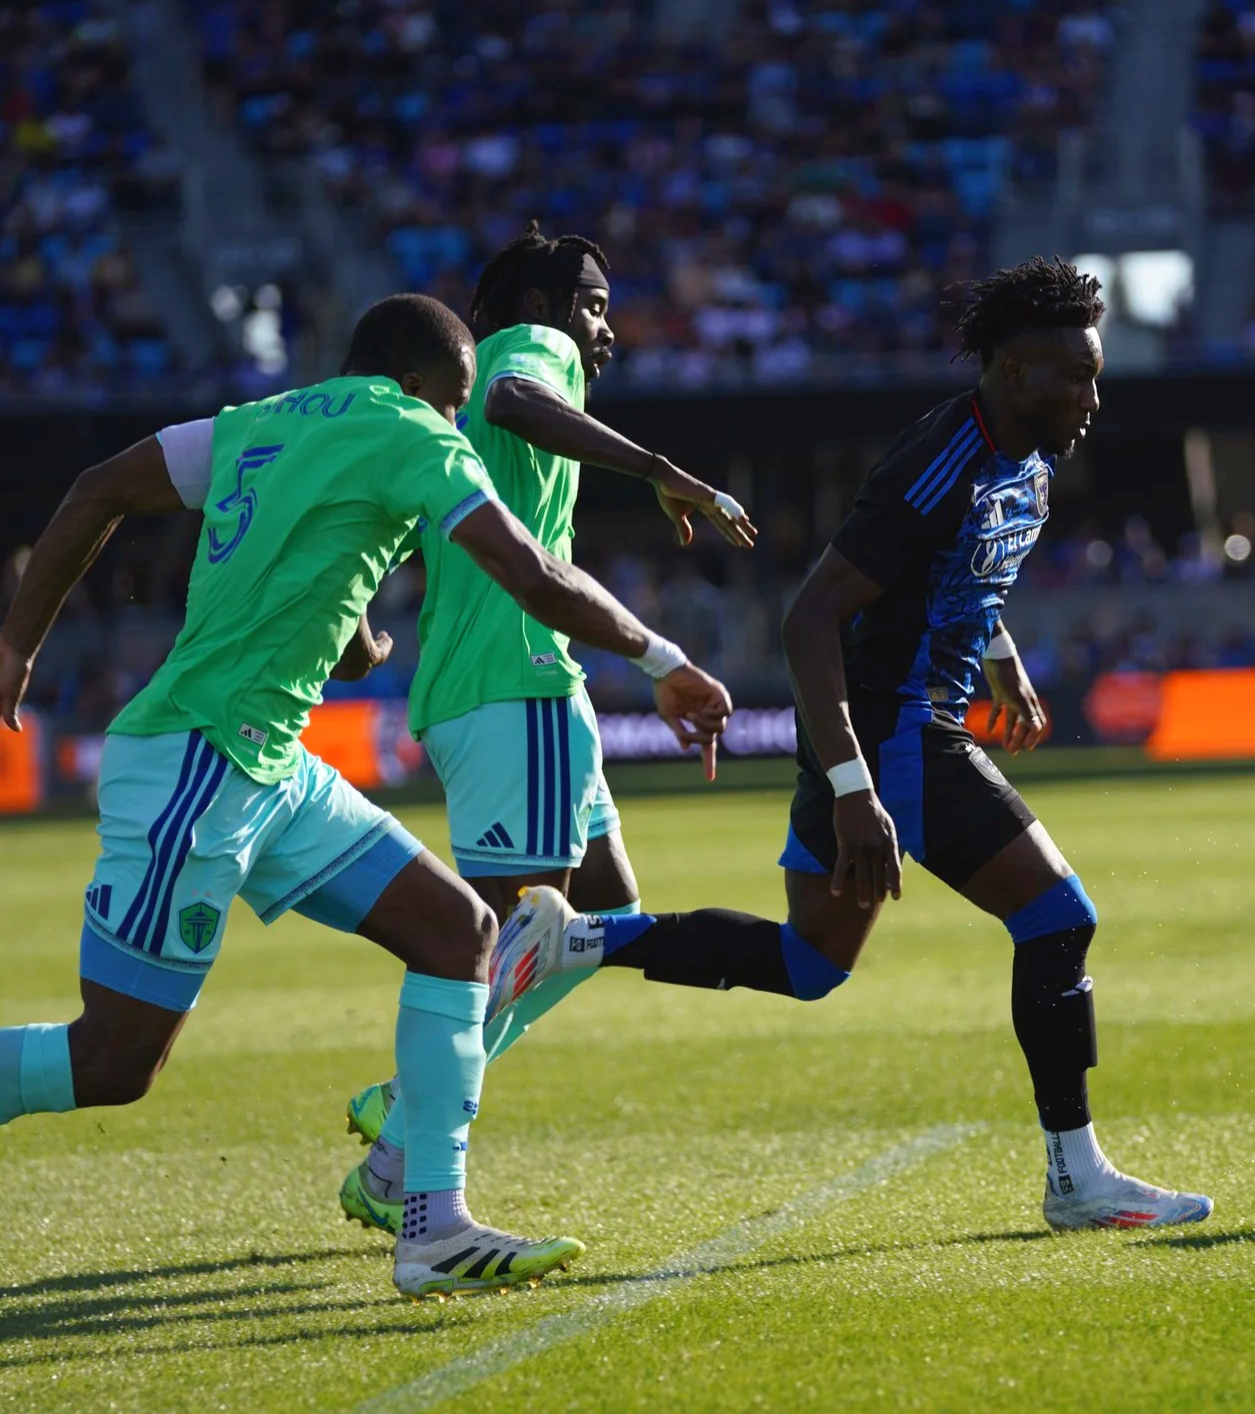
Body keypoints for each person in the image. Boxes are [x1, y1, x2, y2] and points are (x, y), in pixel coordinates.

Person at [0, 294, 736, 1298]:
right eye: (453, 400)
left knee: (460, 932)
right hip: (201, 764)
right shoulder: (416, 434)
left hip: (268, 763)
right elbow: (532, 573)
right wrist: (662, 658)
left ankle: (432, 1222)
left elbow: (100, 489)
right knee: (113, 1060)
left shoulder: (262, 424)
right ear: (419, 384)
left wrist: (16, 641)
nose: (455, 419)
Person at [453, 259, 1213, 1231]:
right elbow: (810, 616)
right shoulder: (944, 454)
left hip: (869, 736)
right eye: (1074, 377)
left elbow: (953, 572)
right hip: (891, 733)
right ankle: (1076, 1176)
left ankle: (580, 938)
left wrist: (1001, 658)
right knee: (1059, 918)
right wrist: (856, 788)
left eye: (1095, 376)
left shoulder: (1027, 451)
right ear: (1014, 371)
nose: (1092, 398)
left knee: (811, 963)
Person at [335, 224, 759, 1235]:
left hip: (514, 685)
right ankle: (404, 1159)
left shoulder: (462, 414)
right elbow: (515, 395)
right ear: (547, 302)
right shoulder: (535, 345)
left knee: (598, 911)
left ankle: (405, 1102)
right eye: (596, 305)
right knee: (514, 935)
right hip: (509, 685)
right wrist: (664, 468)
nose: (605, 330)